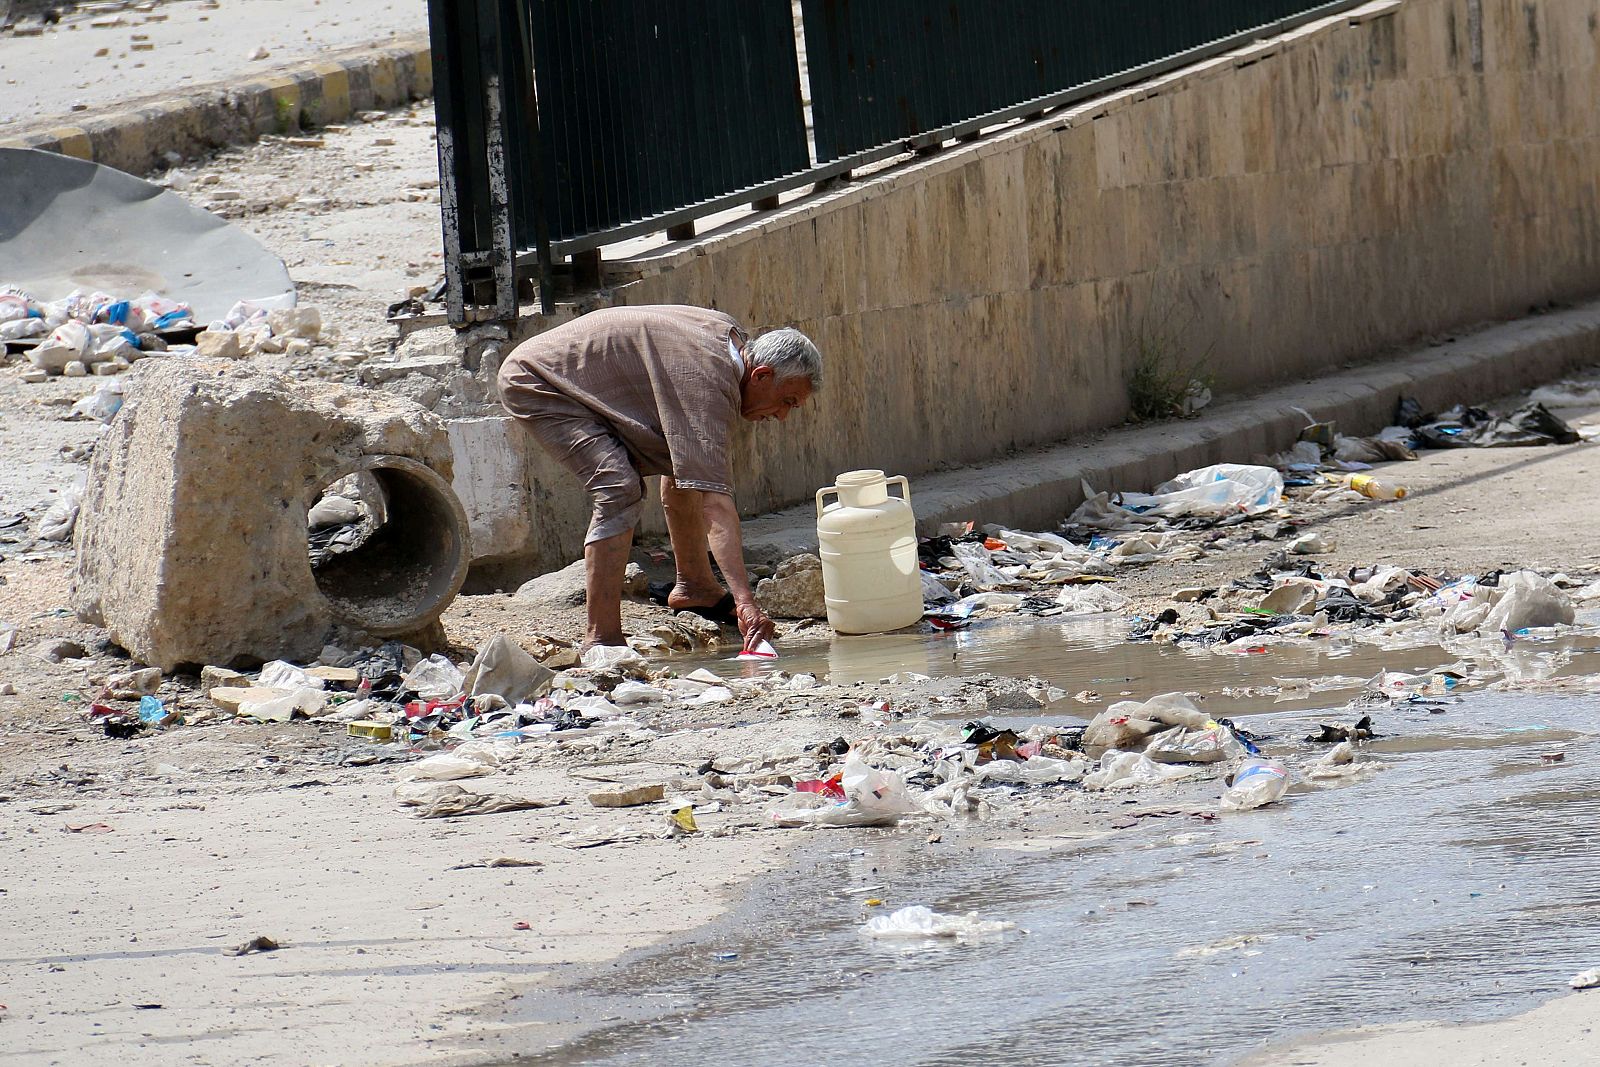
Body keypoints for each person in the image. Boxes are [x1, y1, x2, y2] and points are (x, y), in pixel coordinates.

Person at [497, 304, 822, 653]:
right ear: (760, 375)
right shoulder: (710, 382)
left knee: (684, 460)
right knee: (619, 488)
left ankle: (695, 586)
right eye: (786, 401)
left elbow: (691, 469)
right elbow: (716, 506)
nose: (783, 416)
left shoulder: (729, 343)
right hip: (538, 380)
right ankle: (602, 638)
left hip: (581, 378)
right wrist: (745, 602)